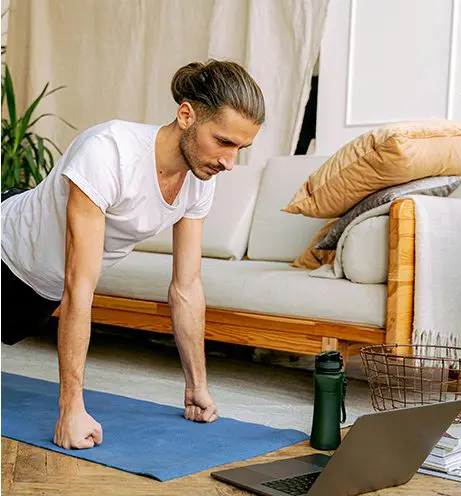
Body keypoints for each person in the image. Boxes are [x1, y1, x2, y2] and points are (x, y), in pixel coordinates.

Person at [1, 59, 265, 450]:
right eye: (224, 141)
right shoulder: (109, 152)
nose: (230, 162)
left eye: (241, 148)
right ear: (186, 114)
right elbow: (81, 284)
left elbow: (187, 287)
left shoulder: (199, 181)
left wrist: (197, 386)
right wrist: (71, 409)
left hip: (40, 287)